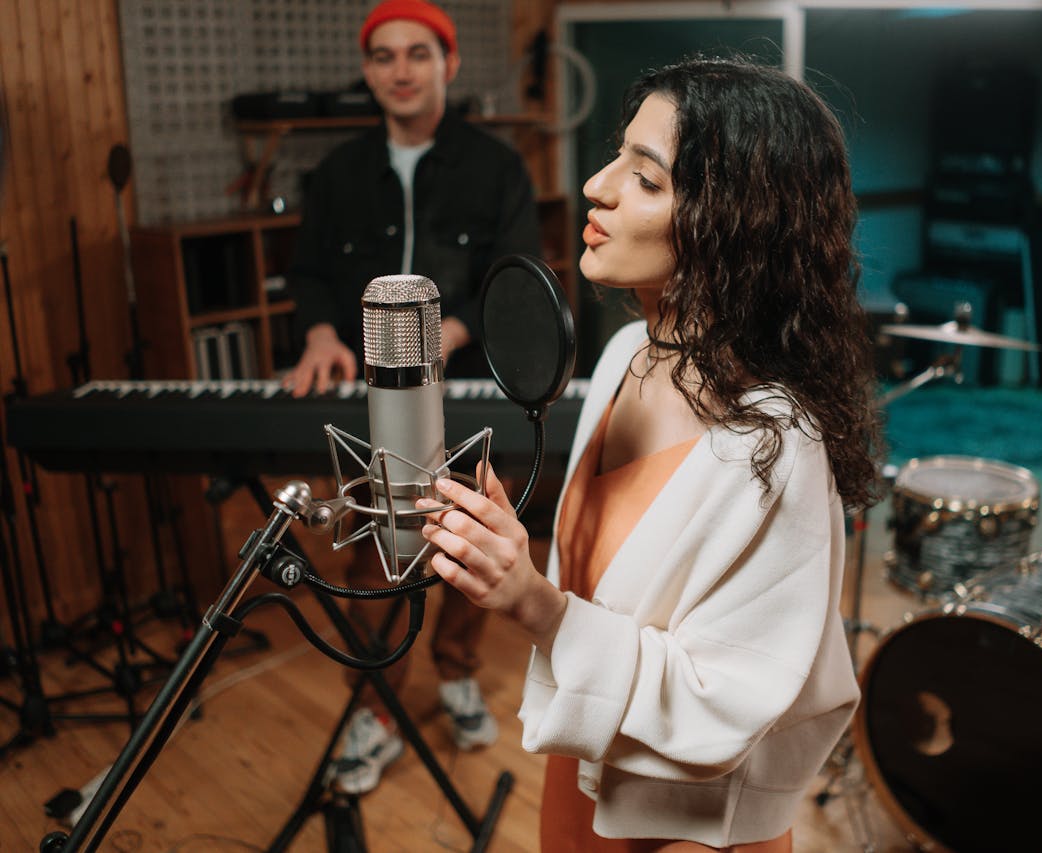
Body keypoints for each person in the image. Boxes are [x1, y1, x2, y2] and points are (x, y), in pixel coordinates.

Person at [419, 56, 883, 851]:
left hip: (688, 825)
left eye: (645, 179)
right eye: (616, 158)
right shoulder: (624, 356)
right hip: (590, 759)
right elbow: (601, 590)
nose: (597, 187)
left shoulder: (776, 444)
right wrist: (517, 555)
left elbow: (728, 698)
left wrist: (533, 600)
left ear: (733, 220)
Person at [283, 0, 541, 793]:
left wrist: (447, 334)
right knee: (367, 550)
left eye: (417, 54)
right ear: (368, 71)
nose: (400, 70)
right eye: (384, 56)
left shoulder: (497, 168)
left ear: (448, 63)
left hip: (455, 379)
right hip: (365, 393)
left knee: (460, 534)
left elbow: (513, 277)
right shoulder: (335, 175)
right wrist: (322, 333)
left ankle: (457, 669)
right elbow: (309, 275)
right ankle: (378, 706)